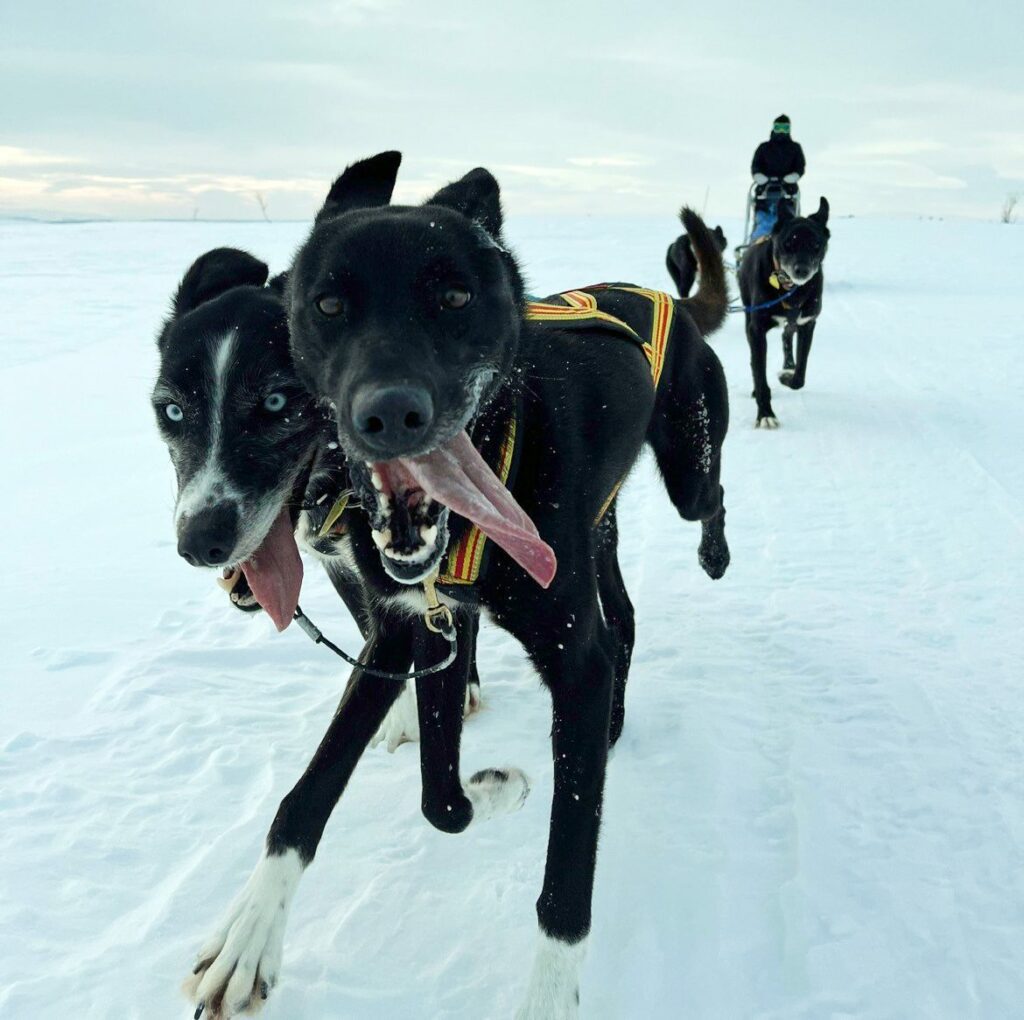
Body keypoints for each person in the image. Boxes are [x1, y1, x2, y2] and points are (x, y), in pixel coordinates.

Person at [749, 114, 805, 240]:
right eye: (778, 127)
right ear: (773, 128)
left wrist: (794, 176)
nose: (781, 131)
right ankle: (756, 245)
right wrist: (758, 175)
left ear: (789, 129)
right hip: (764, 193)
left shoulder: (795, 148)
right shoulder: (764, 148)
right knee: (763, 223)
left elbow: (800, 166)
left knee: (787, 224)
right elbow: (756, 165)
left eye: (784, 128)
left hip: (788, 193)